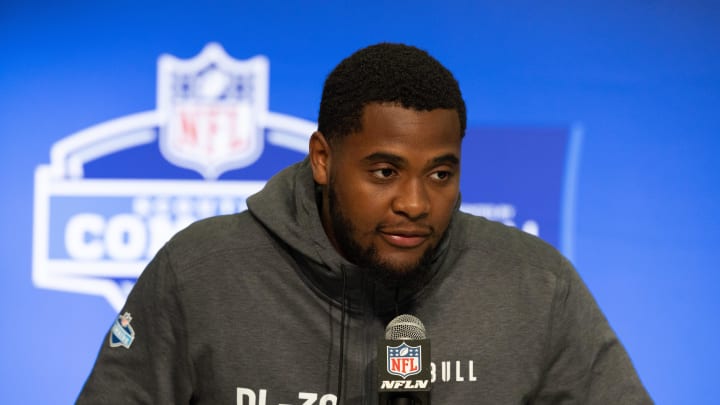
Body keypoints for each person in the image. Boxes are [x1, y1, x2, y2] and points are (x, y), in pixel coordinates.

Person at [77, 43, 652, 404]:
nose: (415, 203)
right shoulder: (200, 273)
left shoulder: (535, 285)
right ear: (323, 159)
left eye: (440, 174)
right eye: (384, 172)